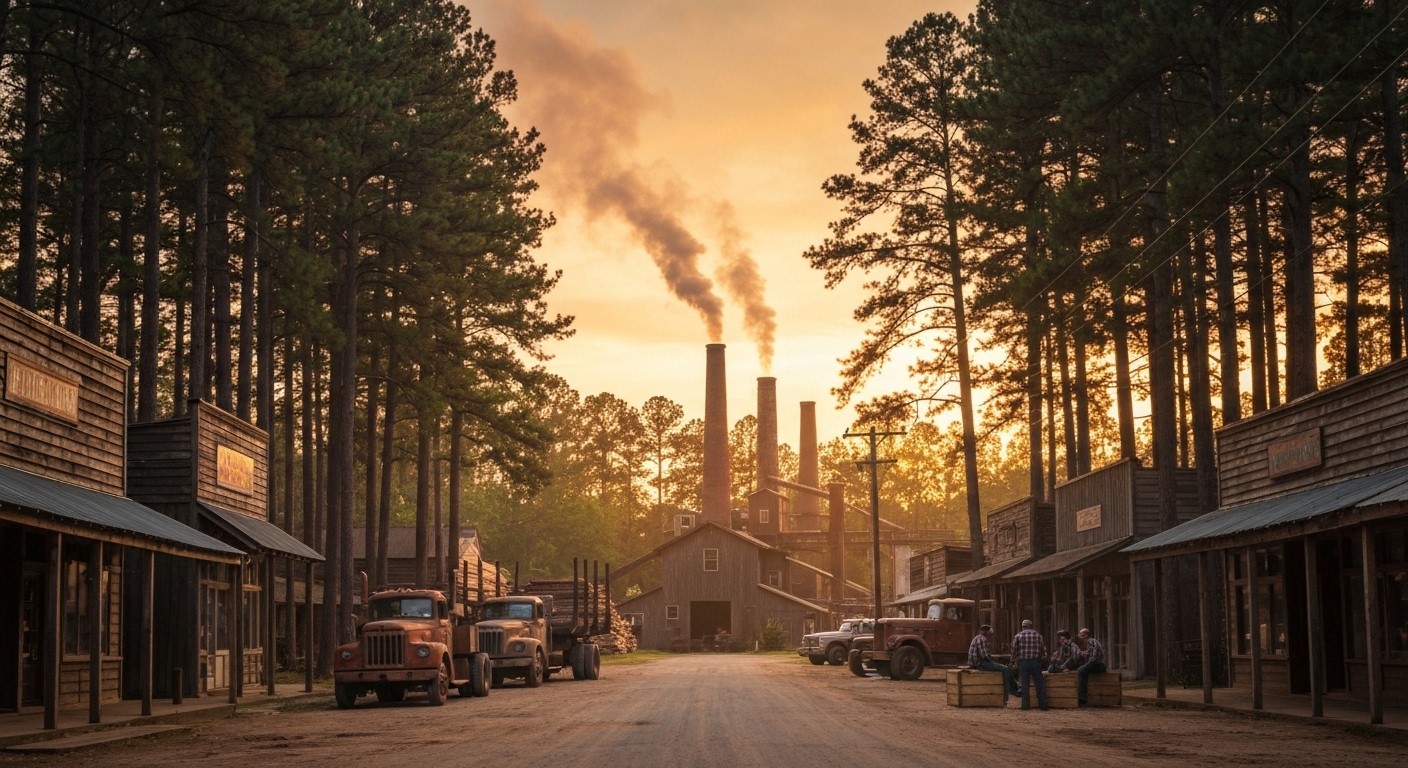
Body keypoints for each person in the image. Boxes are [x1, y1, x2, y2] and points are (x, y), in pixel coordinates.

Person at [968, 624, 1018, 703]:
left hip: (977, 662)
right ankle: (1012, 691)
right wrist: (994, 661)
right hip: (980, 663)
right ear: (985, 632)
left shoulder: (978, 638)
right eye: (990, 632)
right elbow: (985, 656)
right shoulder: (982, 639)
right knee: (1005, 669)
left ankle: (1014, 689)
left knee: (1004, 668)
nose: (991, 634)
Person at [1012, 619, 1048, 710]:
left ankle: (1025, 705)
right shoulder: (1038, 635)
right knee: (1039, 684)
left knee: (1024, 685)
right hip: (1035, 662)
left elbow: (1014, 650)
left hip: (1023, 662)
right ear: (1031, 626)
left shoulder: (1018, 636)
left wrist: (1013, 661)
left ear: (1023, 626)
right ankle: (1043, 705)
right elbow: (1043, 650)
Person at [1075, 627, 1107, 706]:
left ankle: (1083, 698)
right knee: (1079, 669)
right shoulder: (1081, 644)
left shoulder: (1092, 642)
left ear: (1086, 635)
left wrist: (1084, 665)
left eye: (1081, 634)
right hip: (1090, 664)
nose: (1078, 635)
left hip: (1099, 664)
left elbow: (1093, 658)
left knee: (1081, 670)